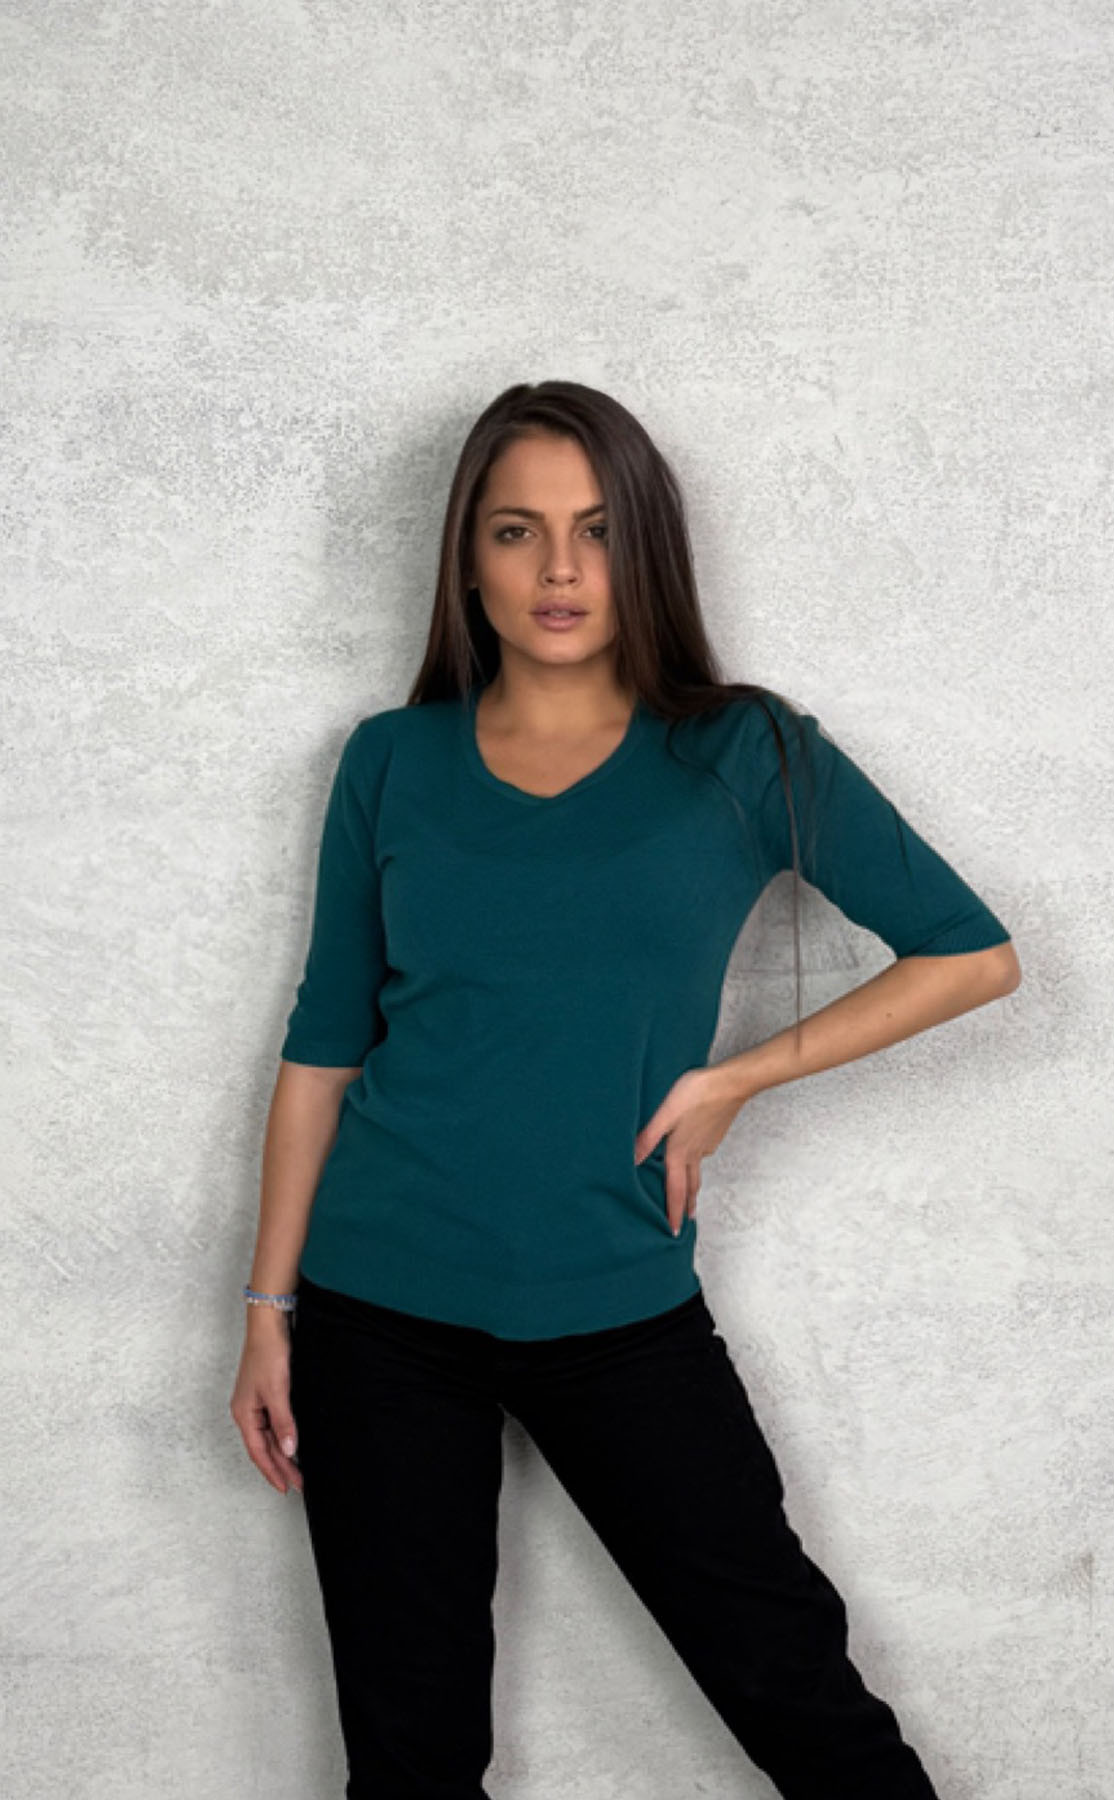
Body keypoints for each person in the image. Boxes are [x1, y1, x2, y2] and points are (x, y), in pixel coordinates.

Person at [230, 380, 1020, 1800]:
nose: (559, 568)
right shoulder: (389, 760)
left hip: (617, 1305)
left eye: (595, 530)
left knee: (802, 1701)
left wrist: (740, 1079)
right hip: (377, 1310)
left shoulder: (743, 751)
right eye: (517, 530)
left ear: (643, 547)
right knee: (409, 1760)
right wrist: (265, 1311)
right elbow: (323, 1042)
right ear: (469, 558)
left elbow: (971, 954)